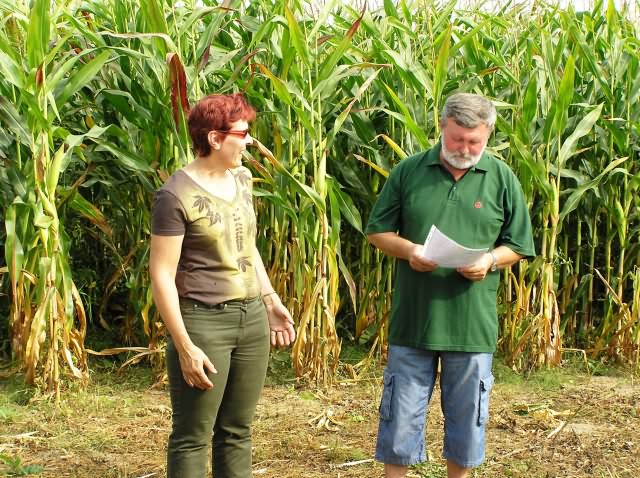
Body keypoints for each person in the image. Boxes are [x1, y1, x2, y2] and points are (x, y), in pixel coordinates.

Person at [366, 93, 535, 478]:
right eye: (458, 139)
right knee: (400, 420)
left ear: (488, 134)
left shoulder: (501, 178)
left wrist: (489, 260)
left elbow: (520, 244)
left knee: (467, 423)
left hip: (471, 325)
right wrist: (410, 251)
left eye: (475, 141)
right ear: (442, 126)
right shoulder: (409, 171)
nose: (465, 149)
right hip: (414, 321)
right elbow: (376, 231)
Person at [149, 93, 296, 478]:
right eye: (242, 134)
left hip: (251, 320)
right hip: (204, 323)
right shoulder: (174, 196)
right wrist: (185, 346)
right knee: (193, 436)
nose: (250, 141)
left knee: (237, 431)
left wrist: (269, 300)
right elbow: (162, 275)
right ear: (215, 138)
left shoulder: (241, 179)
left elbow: (246, 246)